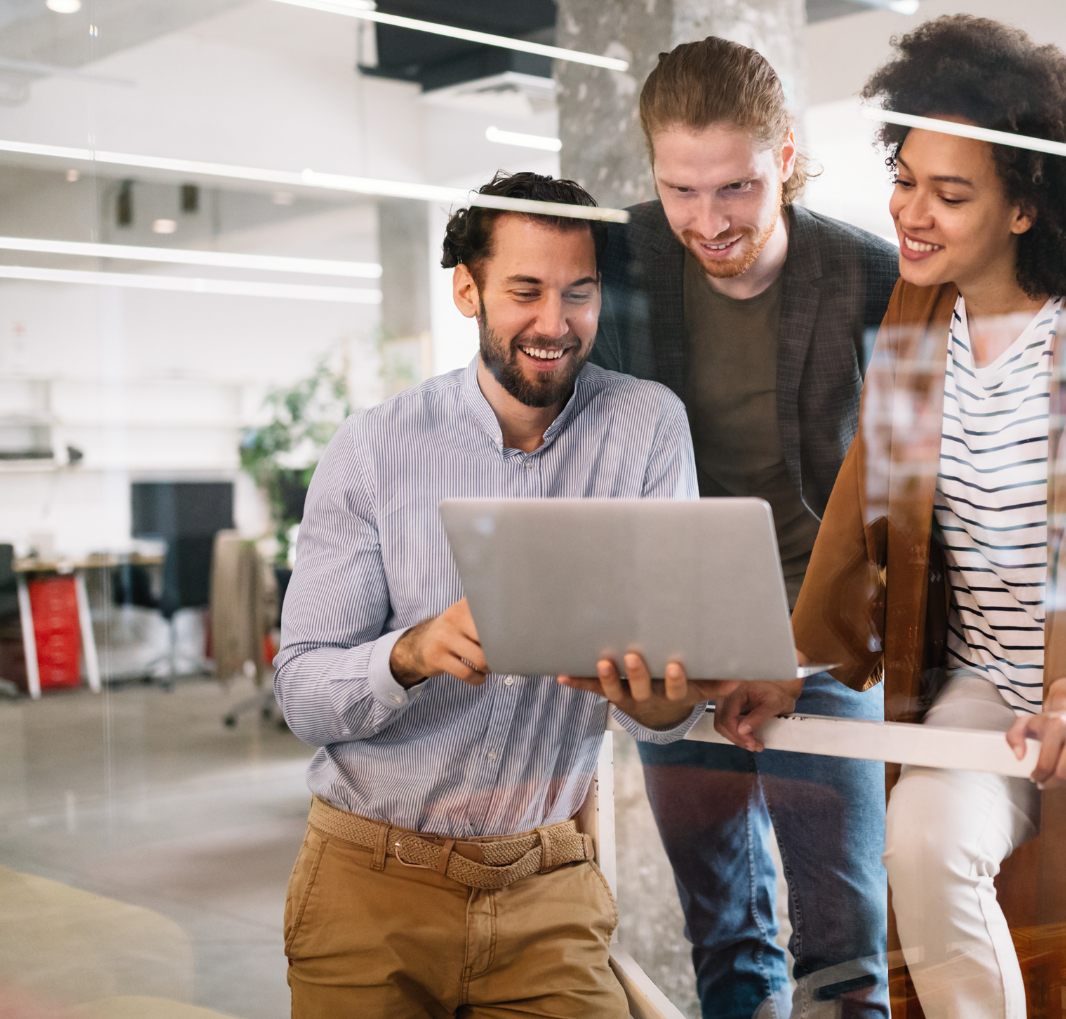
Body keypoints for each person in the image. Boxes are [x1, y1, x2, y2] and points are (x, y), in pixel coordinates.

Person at [714, 16, 1066, 1019]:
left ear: (1027, 207)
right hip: (987, 679)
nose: (911, 212)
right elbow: (877, 492)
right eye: (905, 178)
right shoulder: (922, 310)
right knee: (922, 840)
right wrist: (792, 660)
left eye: (950, 194)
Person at [274, 172, 730, 1019]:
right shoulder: (374, 449)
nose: (554, 324)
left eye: (578, 294)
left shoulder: (648, 429)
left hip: (547, 894)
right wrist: (409, 654)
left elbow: (657, 710)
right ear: (466, 289)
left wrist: (668, 698)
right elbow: (302, 691)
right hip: (370, 886)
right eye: (525, 291)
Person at [589, 37, 897, 1019]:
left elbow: (911, 498)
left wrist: (814, 651)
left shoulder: (870, 281)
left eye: (736, 187)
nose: (708, 221)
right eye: (682, 190)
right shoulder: (622, 260)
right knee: (724, 928)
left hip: (820, 636)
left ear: (790, 156)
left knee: (843, 945)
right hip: (682, 630)